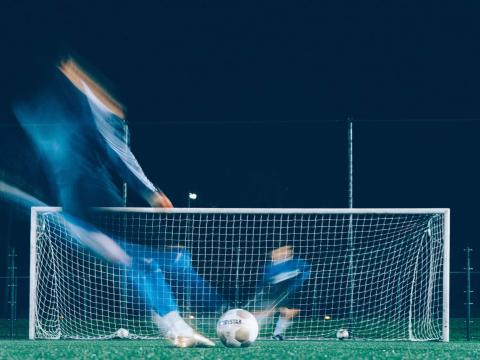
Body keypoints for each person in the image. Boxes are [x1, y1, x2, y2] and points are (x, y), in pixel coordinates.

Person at [12, 56, 215, 347]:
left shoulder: (47, 122)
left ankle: (176, 326)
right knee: (165, 259)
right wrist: (150, 193)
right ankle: (212, 311)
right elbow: (118, 153)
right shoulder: (90, 123)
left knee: (139, 263)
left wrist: (77, 79)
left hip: (75, 215)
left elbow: (42, 157)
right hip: (96, 207)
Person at [252, 245, 310, 340]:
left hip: (291, 290)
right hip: (273, 290)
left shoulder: (297, 262)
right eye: (280, 251)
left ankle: (277, 333)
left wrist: (296, 283)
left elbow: (306, 270)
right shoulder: (269, 267)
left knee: (291, 311)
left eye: (287, 250)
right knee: (266, 312)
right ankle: (251, 328)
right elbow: (263, 281)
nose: (285, 252)